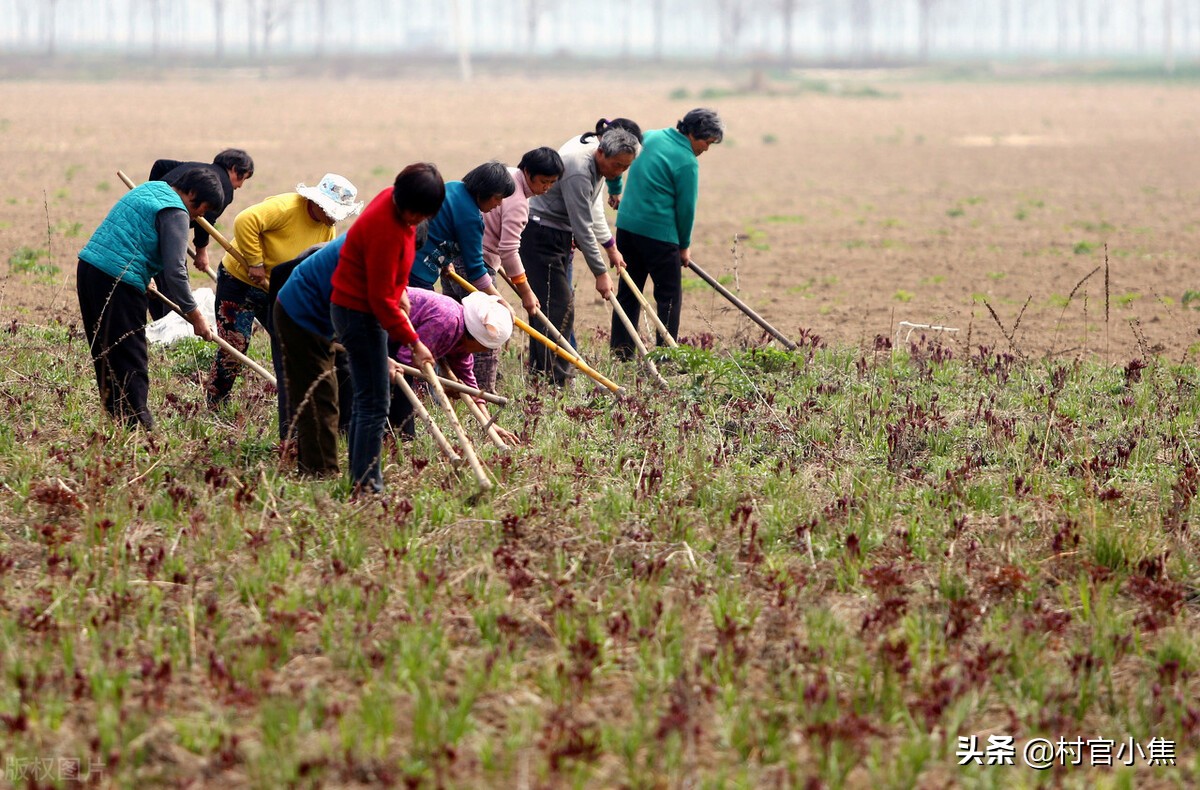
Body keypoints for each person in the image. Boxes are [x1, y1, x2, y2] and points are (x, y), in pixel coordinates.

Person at [205, 173, 362, 422]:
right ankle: (215, 404)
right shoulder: (286, 207)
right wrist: (255, 262)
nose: (334, 218)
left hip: (279, 290)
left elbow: (316, 261)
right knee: (235, 345)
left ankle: (296, 405)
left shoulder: (326, 228)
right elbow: (245, 221)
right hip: (240, 282)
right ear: (318, 203)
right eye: (332, 211)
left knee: (291, 342)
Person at [330, 163, 446, 495]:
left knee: (369, 398)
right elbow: (380, 300)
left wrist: (401, 291)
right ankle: (366, 485)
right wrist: (414, 341)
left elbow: (390, 281)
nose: (416, 221)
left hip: (363, 309)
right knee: (373, 403)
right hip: (358, 313)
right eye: (415, 213)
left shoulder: (394, 205)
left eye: (423, 215)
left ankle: (360, 478)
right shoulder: (387, 227)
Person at [76, 167, 222, 430]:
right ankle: (139, 426)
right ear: (191, 194)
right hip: (117, 279)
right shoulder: (176, 212)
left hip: (90, 269)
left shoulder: (149, 189)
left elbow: (133, 235)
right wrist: (196, 317)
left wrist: (145, 274)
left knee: (105, 350)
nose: (200, 216)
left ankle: (117, 416)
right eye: (203, 208)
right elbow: (176, 272)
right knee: (130, 353)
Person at [519, 126, 640, 385]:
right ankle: (554, 380)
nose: (618, 172)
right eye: (616, 165)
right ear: (601, 152)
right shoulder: (579, 171)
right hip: (542, 234)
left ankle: (543, 375)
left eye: (624, 168)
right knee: (557, 308)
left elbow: (591, 216)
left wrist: (611, 249)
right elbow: (582, 226)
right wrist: (600, 273)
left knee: (551, 307)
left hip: (558, 235)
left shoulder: (597, 166)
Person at [611, 108, 725, 359]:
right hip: (659, 237)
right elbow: (686, 209)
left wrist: (614, 188)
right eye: (707, 142)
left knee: (629, 292)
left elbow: (616, 161)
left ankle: (621, 353)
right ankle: (666, 357)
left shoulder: (650, 136)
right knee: (668, 297)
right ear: (694, 134)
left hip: (627, 229)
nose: (706, 148)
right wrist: (684, 245)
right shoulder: (687, 162)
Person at [453, 147, 564, 393]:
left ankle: (453, 385)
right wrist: (525, 292)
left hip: (457, 259)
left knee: (457, 325)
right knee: (487, 331)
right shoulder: (518, 203)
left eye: (552, 183)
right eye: (543, 181)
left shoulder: (508, 176)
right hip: (476, 265)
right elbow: (509, 250)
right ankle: (483, 392)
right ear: (528, 172)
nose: (546, 188)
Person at [388, 290, 518, 448]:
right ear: (477, 338)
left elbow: (469, 385)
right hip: (383, 325)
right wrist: (441, 387)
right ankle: (398, 438)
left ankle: (397, 437)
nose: (485, 351)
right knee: (400, 384)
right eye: (486, 347)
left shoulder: (461, 338)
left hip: (397, 340)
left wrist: (489, 423)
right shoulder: (447, 323)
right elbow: (407, 358)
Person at [272, 238, 356, 476]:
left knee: (321, 395)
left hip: (316, 317)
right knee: (321, 395)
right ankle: (321, 473)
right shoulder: (362, 255)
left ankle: (313, 467)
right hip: (300, 316)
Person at [409, 161, 516, 296]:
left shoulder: (453, 186)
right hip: (418, 272)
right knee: (420, 314)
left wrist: (445, 262)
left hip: (404, 257)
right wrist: (500, 301)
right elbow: (476, 271)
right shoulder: (471, 219)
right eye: (498, 198)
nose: (499, 204)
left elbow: (438, 227)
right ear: (484, 191)